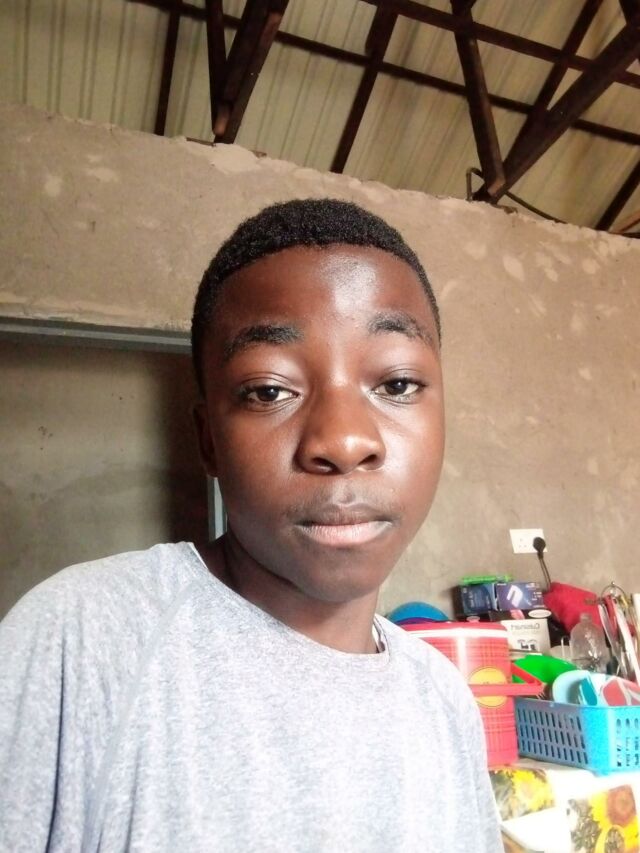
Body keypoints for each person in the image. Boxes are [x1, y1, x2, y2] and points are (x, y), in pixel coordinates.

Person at [0, 199, 501, 851]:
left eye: (398, 384)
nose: (344, 440)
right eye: (269, 390)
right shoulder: (81, 641)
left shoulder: (444, 701)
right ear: (208, 440)